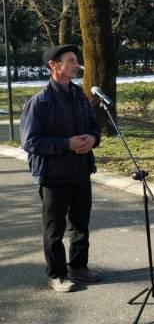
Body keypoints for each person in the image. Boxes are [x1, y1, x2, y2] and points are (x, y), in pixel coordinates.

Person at [20, 44, 102, 293]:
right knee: (54, 229)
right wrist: (66, 143)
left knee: (81, 223)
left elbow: (94, 127)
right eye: (71, 61)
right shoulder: (40, 102)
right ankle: (57, 274)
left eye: (76, 60)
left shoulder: (79, 96)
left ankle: (79, 266)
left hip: (80, 171)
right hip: (53, 175)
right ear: (54, 66)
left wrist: (92, 139)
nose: (77, 65)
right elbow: (30, 142)